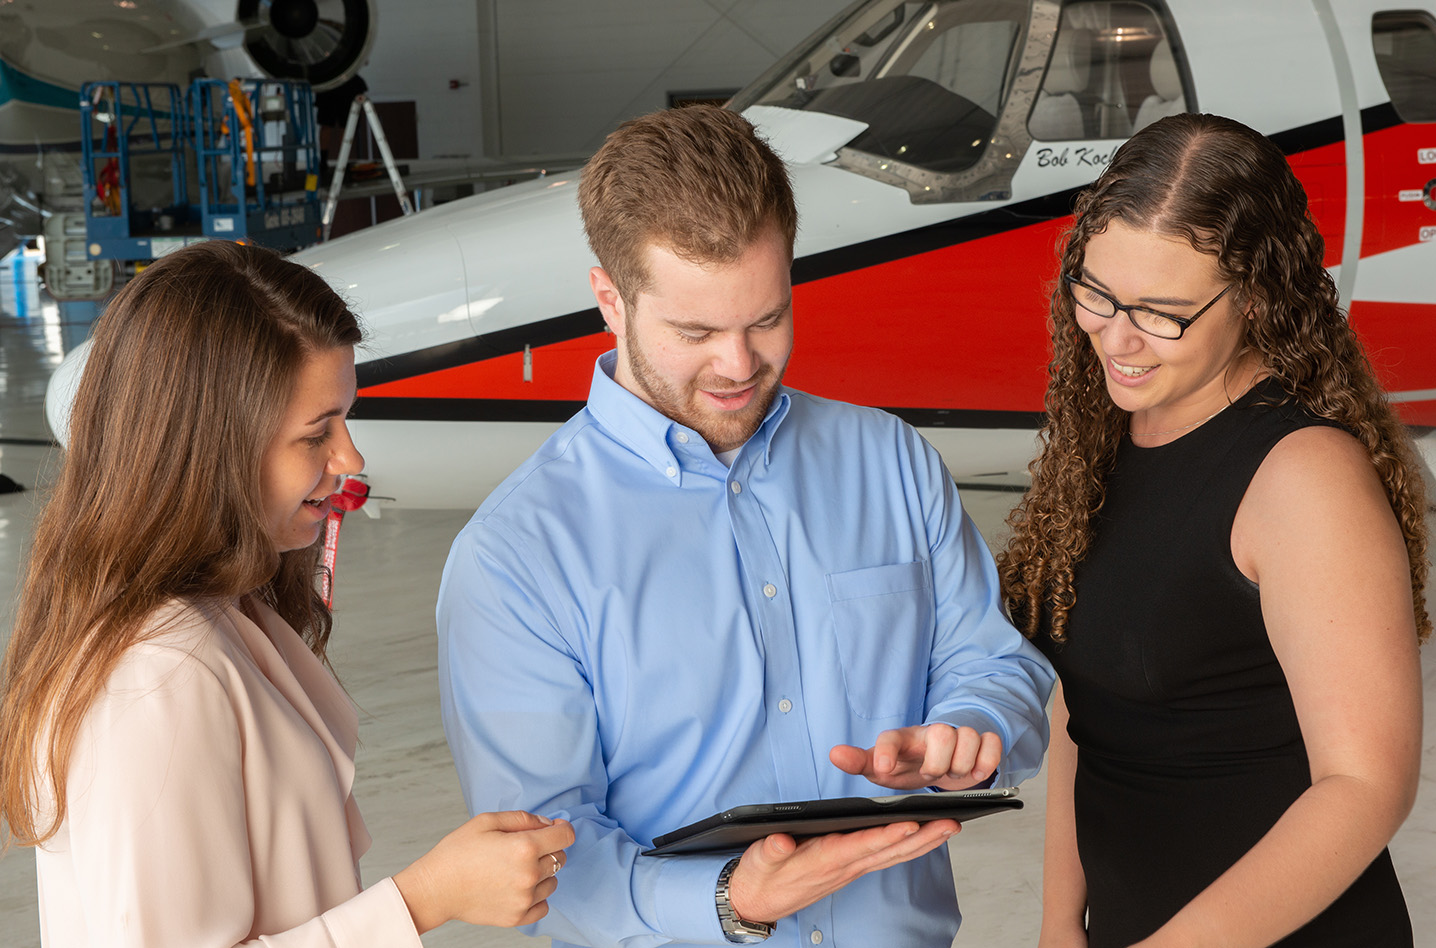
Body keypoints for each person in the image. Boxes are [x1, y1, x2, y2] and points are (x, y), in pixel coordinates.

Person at [436, 104, 1054, 948]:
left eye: (766, 320)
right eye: (695, 331)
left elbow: (993, 663)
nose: (738, 365)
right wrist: (732, 900)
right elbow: (542, 850)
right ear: (609, 301)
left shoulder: (891, 461)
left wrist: (969, 732)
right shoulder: (516, 554)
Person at [0, 241, 575, 947]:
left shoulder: (226, 611)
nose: (351, 460)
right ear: (210, 450)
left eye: (345, 417)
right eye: (316, 435)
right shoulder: (156, 675)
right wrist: (426, 897)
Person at [997, 112, 1426, 948]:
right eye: (1096, 292)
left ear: (1258, 295)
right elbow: (1095, 719)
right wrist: (1059, 924)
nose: (1115, 338)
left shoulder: (1304, 478)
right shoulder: (1112, 436)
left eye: (1162, 313)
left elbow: (1365, 786)